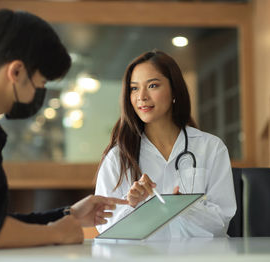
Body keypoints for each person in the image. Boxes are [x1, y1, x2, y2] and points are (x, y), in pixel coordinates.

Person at [0, 9, 127, 262]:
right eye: (40, 84)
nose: (38, 94)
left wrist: (68, 215)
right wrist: (56, 234)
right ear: (16, 72)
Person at [95, 50, 236, 238]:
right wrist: (134, 205)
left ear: (175, 90)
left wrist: (182, 208)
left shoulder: (211, 148)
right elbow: (106, 229)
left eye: (152, 85)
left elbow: (221, 223)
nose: (142, 96)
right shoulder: (118, 158)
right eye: (134, 88)